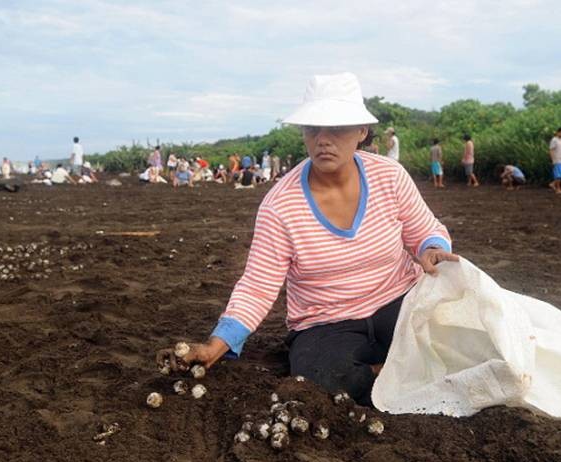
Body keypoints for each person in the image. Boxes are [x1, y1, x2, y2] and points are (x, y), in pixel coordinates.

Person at [157, 72, 456, 406]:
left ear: (361, 131)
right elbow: (257, 285)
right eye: (313, 128)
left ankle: (384, 371)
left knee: (456, 340)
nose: (323, 139)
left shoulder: (389, 176)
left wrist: (432, 249)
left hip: (398, 301)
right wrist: (216, 345)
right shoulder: (281, 205)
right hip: (327, 321)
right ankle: (387, 370)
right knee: (320, 380)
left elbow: (424, 231)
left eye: (337, 128)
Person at [549, 127, 561, 195]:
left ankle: (553, 184)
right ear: (558, 132)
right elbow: (551, 150)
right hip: (557, 160)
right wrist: (553, 160)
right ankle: (558, 189)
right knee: (558, 175)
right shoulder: (554, 140)